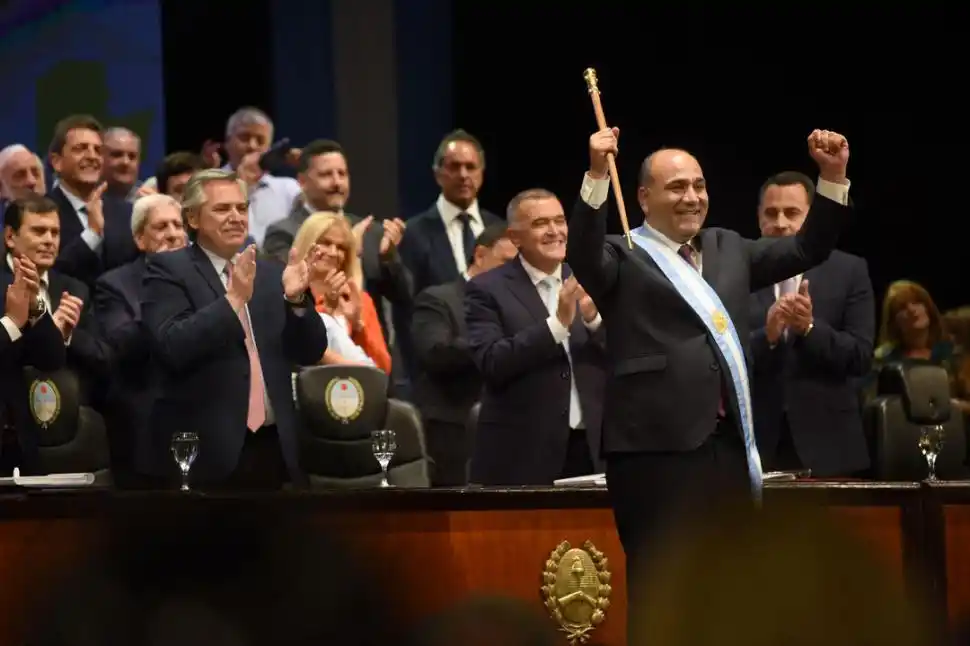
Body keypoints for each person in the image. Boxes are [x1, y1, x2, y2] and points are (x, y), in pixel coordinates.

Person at [566, 126, 851, 639]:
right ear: (643, 197)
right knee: (662, 591)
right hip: (654, 454)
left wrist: (832, 177)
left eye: (698, 185)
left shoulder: (729, 247)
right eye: (677, 187)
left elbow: (808, 247)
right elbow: (582, 254)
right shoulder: (621, 252)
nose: (692, 196)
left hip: (729, 449)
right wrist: (595, 173)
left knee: (731, 587)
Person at [140, 169, 328, 489]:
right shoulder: (168, 269)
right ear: (193, 218)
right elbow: (172, 346)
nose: (236, 217)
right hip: (205, 454)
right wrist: (234, 300)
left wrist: (297, 301)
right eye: (222, 209)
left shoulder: (270, 274)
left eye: (241, 208)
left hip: (274, 450)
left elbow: (310, 351)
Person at [466, 189, 606, 485]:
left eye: (560, 221)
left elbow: (623, 355)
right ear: (515, 237)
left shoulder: (588, 278)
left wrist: (594, 321)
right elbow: (491, 361)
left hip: (592, 448)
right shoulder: (486, 288)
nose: (555, 231)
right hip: (522, 455)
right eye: (541, 223)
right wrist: (556, 325)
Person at [748, 171, 874, 477]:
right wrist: (767, 337)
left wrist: (809, 329)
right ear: (758, 218)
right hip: (755, 447)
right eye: (771, 213)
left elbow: (860, 357)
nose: (780, 223)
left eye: (791, 213)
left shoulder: (849, 270)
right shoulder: (737, 272)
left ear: (812, 218)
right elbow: (719, 356)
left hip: (831, 447)